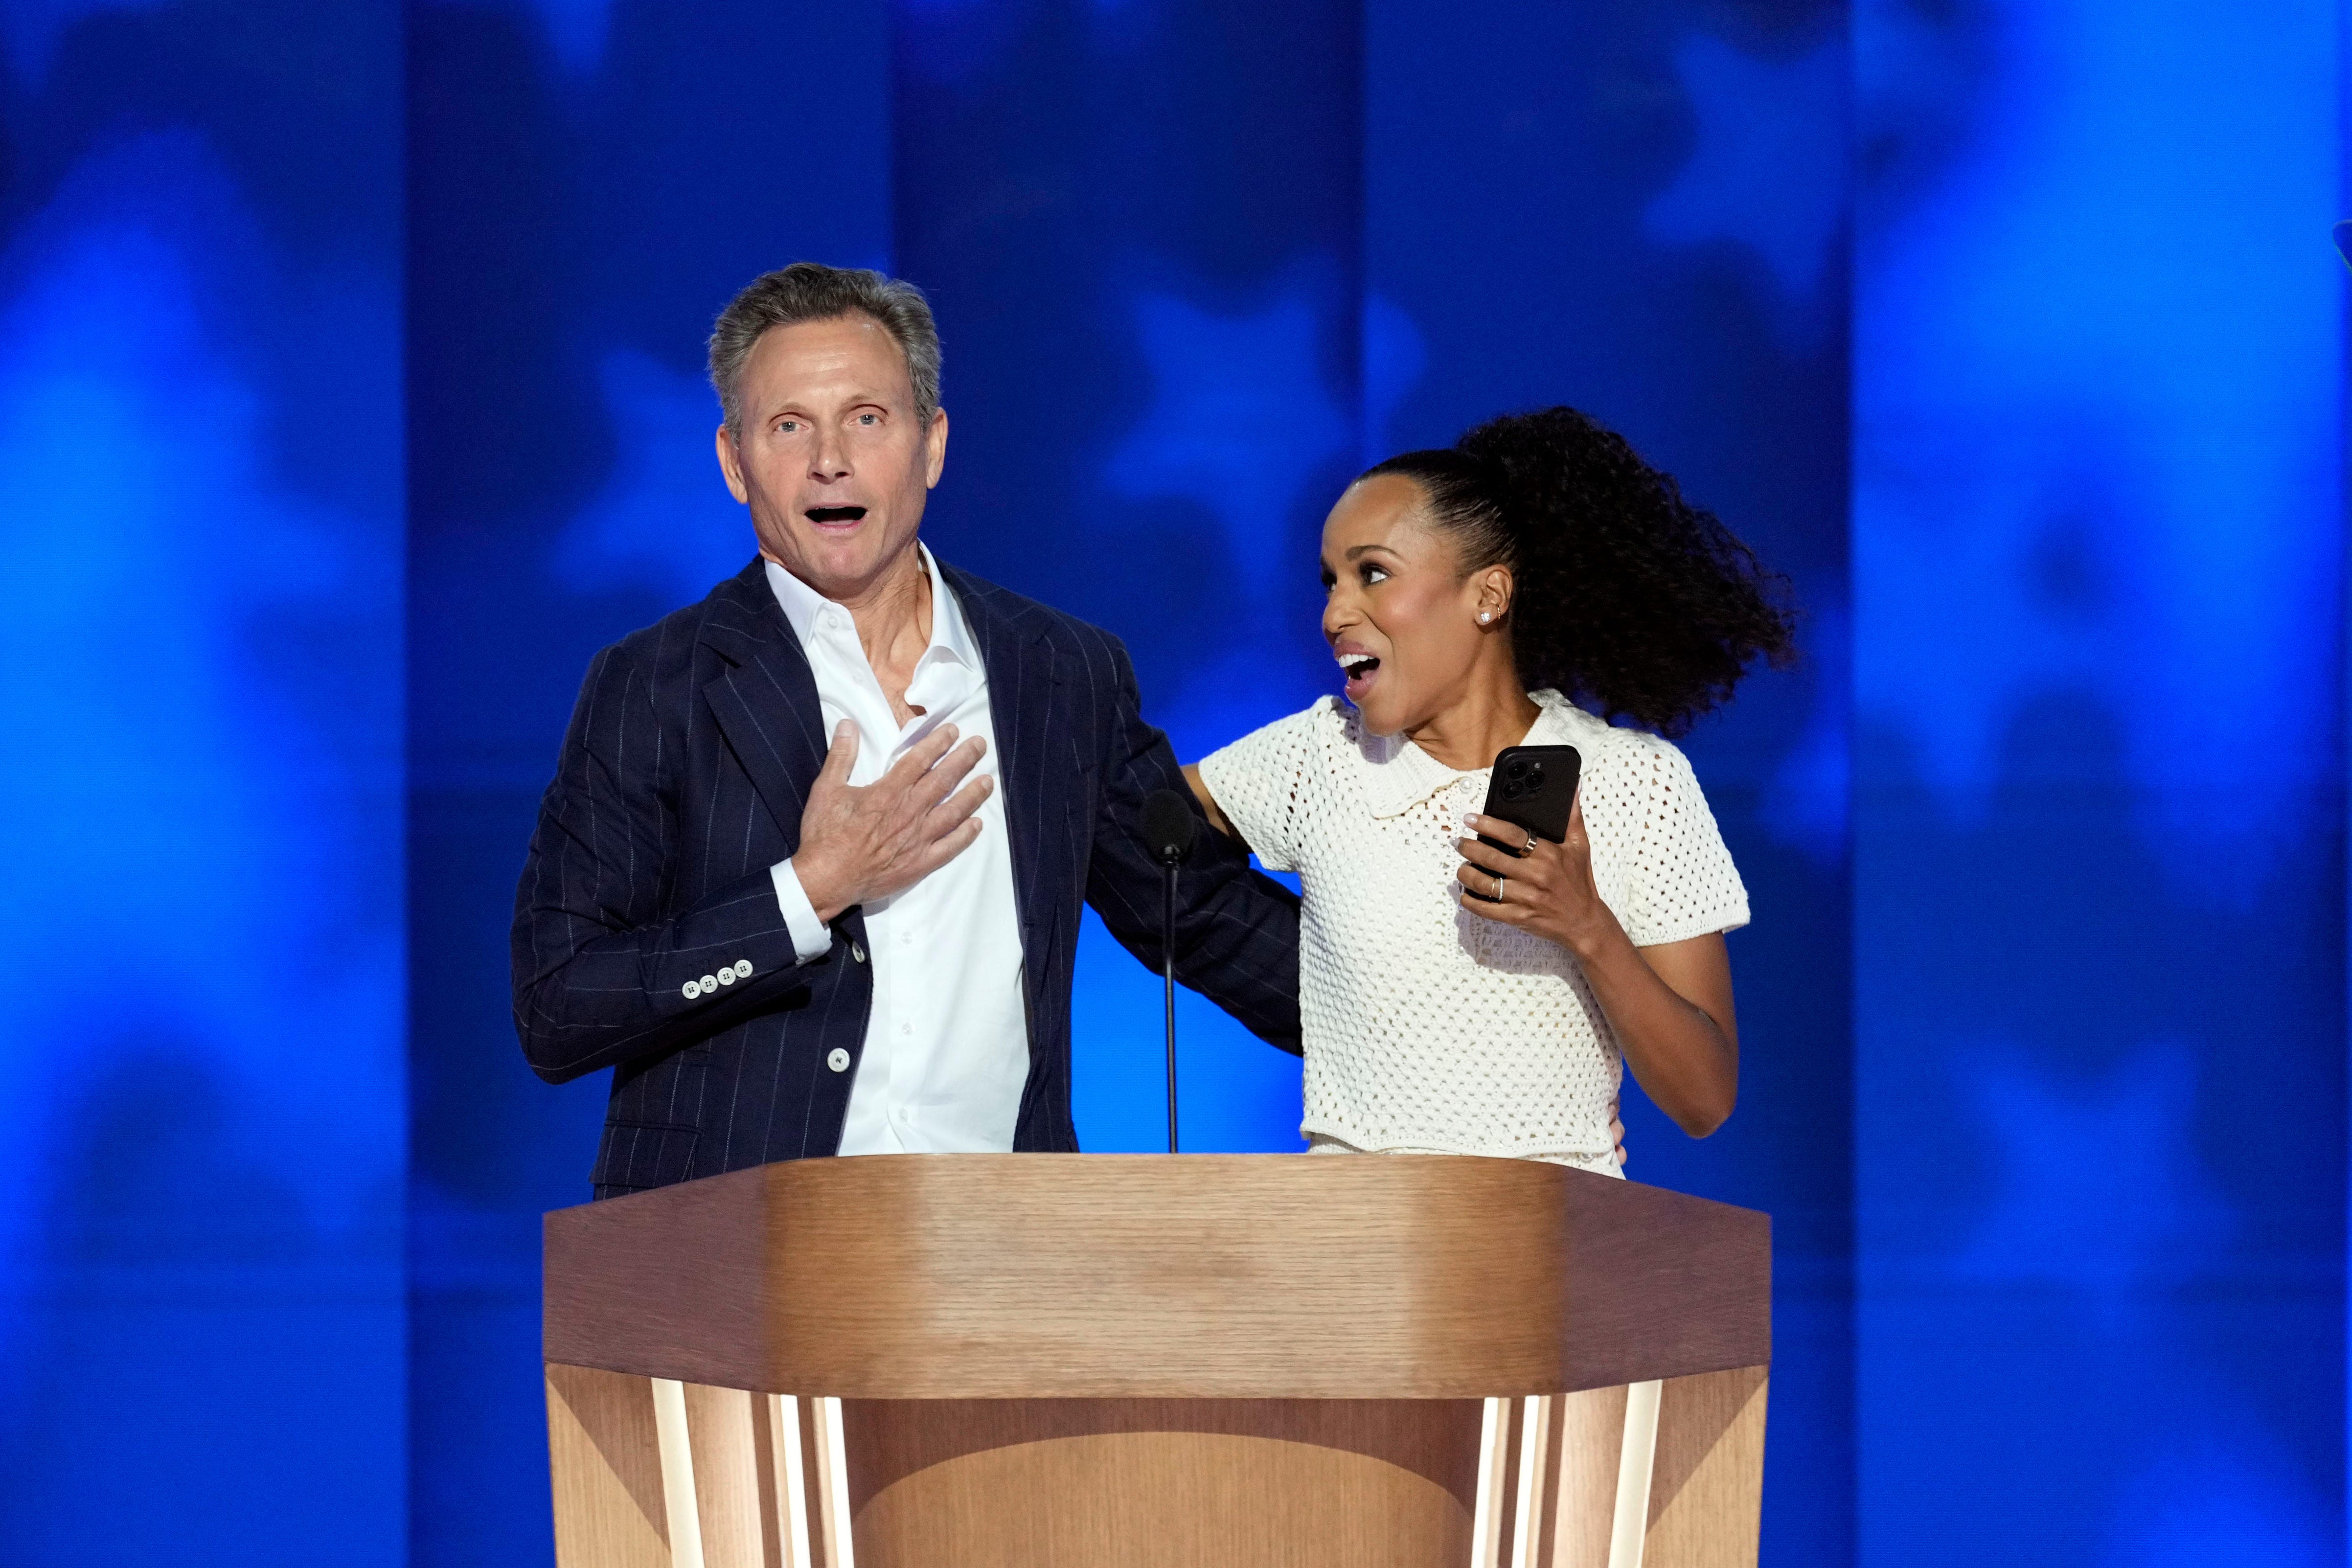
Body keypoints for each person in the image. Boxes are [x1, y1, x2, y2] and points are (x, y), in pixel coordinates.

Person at [511, 263, 1301, 1197]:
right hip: (736, 1263)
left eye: (868, 418)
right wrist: (810, 892)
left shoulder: (1058, 672)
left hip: (998, 1253)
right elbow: (560, 1006)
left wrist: (1464, 1019)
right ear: (734, 462)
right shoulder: (655, 685)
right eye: (789, 425)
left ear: (932, 445)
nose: (830, 460)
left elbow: (1203, 919)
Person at [1185, 407, 1795, 1174]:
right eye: (1330, 581)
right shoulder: (1319, 753)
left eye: (1373, 573)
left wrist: (1587, 925)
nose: (1336, 613)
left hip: (1551, 1250)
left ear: (1489, 595)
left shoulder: (1636, 781)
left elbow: (1704, 1099)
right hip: (1354, 1251)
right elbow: (1134, 821)